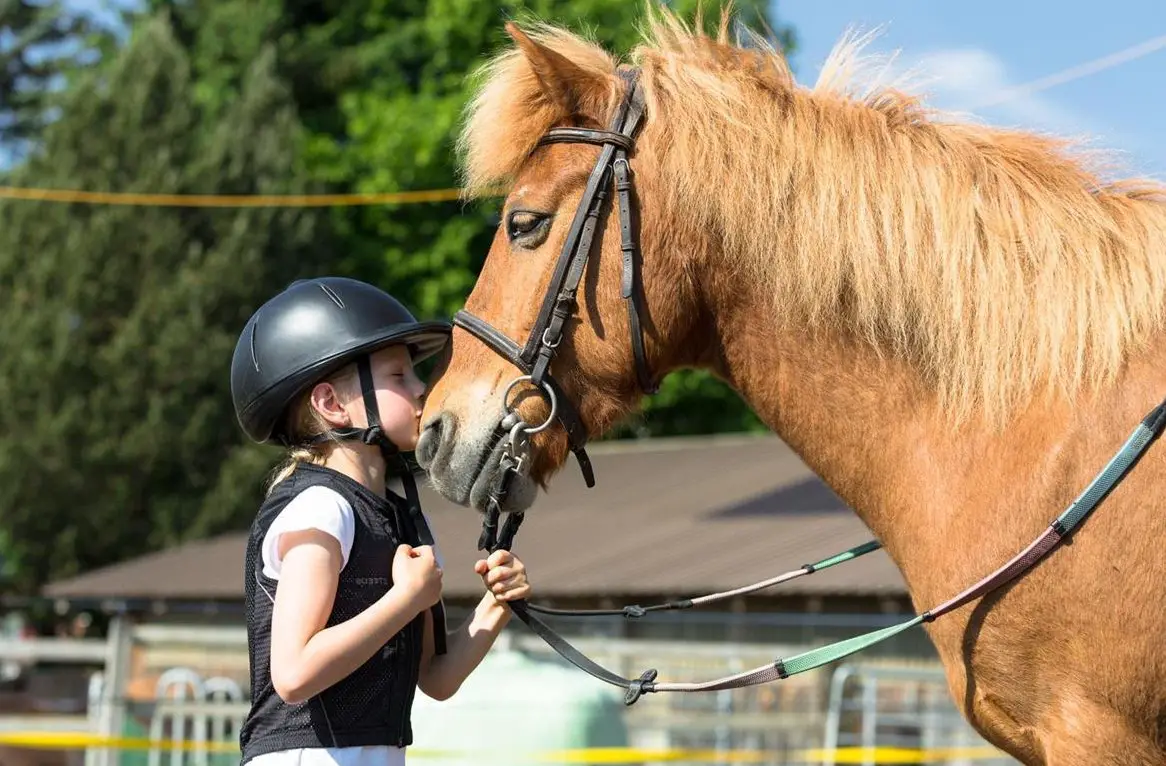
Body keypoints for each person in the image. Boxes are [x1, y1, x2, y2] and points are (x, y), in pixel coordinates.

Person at [230, 276, 532, 766]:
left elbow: (436, 678)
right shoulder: (319, 508)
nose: (422, 391)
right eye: (400, 377)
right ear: (331, 404)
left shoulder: (396, 519)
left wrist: (496, 606)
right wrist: (405, 599)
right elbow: (293, 673)